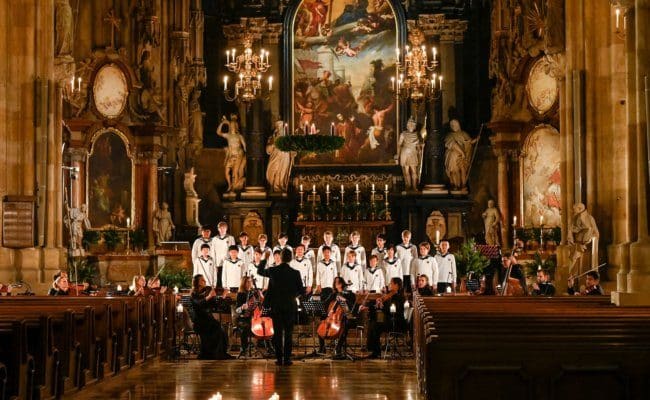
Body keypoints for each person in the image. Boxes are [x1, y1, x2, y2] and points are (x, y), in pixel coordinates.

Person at [256, 248, 305, 366]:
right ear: (291, 258)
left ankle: (279, 359)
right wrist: (293, 295)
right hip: (290, 306)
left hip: (276, 306)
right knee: (288, 333)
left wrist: (265, 258)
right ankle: (287, 359)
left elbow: (259, 271)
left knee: (277, 333)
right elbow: (301, 291)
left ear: (280, 258)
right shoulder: (295, 273)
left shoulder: (273, 270)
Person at [190, 274, 233, 360]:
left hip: (208, 319)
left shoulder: (207, 291)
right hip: (200, 321)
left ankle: (218, 353)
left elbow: (216, 305)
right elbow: (198, 304)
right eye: (202, 280)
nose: (205, 281)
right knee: (216, 329)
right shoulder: (193, 294)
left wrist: (223, 296)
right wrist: (209, 296)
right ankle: (212, 353)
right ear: (197, 282)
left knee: (221, 331)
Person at [364, 277, 406, 358]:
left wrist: (382, 306)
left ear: (396, 285)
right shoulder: (390, 295)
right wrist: (376, 305)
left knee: (376, 326)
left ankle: (376, 352)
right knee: (373, 323)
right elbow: (385, 307)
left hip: (396, 322)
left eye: (391, 283)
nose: (389, 284)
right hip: (390, 320)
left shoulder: (398, 297)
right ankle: (373, 350)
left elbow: (393, 311)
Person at [318, 277, 357, 359]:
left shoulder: (349, 294)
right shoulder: (333, 294)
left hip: (345, 318)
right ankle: (322, 348)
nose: (337, 284)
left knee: (345, 326)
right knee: (320, 326)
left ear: (342, 284)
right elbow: (325, 304)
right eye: (335, 283)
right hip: (333, 318)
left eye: (338, 282)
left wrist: (344, 299)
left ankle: (338, 348)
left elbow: (353, 307)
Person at [444, 119, 478, 191]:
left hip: (462, 157)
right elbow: (450, 144)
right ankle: (455, 185)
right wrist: (459, 151)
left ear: (458, 125)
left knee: (462, 170)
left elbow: (469, 142)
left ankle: (463, 185)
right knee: (454, 171)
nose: (454, 126)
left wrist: (476, 140)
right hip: (453, 156)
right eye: (452, 125)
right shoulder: (449, 135)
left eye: (455, 125)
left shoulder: (464, 134)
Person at [216, 114, 247, 192]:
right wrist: (222, 123)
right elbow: (218, 132)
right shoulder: (228, 135)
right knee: (226, 171)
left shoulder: (239, 136)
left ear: (236, 126)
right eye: (231, 125)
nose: (232, 127)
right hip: (231, 156)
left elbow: (245, 146)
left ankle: (235, 187)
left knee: (235, 173)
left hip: (238, 155)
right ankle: (230, 185)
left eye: (234, 125)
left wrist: (244, 156)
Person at [266, 120, 295, 193]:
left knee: (283, 171)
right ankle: (273, 185)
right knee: (273, 170)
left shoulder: (287, 138)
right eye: (278, 128)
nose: (280, 130)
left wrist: (292, 152)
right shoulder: (272, 138)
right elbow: (268, 150)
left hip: (285, 156)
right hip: (275, 156)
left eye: (281, 128)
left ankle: (280, 186)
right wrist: (273, 145)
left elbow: (292, 148)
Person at [397, 116, 423, 191]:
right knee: (406, 171)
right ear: (407, 126)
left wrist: (420, 149)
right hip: (405, 153)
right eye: (410, 124)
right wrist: (397, 155)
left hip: (413, 153)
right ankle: (408, 185)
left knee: (414, 170)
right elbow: (399, 145)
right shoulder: (403, 134)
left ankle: (414, 186)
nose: (411, 126)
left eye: (412, 124)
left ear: (414, 126)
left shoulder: (417, 134)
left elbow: (418, 146)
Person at [235, 276, 257, 357]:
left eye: (250, 281)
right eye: (247, 282)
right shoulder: (240, 294)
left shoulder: (252, 293)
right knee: (245, 327)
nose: (250, 283)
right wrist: (242, 307)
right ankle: (244, 349)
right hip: (242, 318)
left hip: (253, 317)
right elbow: (237, 310)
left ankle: (269, 347)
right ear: (243, 283)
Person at [212, 222, 235, 288]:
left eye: (223, 228)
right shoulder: (214, 239)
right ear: (218, 229)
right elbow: (213, 252)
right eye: (220, 228)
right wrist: (214, 264)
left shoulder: (230, 238)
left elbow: (233, 250)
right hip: (218, 263)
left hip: (227, 261)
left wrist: (232, 261)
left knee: (227, 278)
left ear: (226, 229)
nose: (222, 229)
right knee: (218, 279)